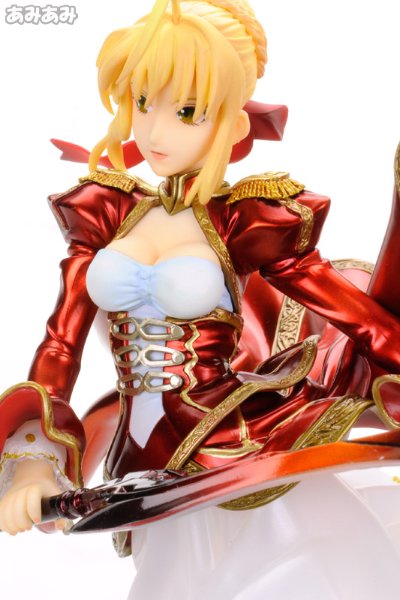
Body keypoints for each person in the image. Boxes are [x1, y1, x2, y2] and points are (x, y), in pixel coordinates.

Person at [1, 1, 400, 598]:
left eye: (187, 111)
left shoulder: (244, 221)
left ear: (234, 126)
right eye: (142, 102)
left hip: (230, 440)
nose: (156, 132)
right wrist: (33, 459)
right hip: (138, 456)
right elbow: (60, 344)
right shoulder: (105, 212)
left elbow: (360, 320)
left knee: (312, 566)